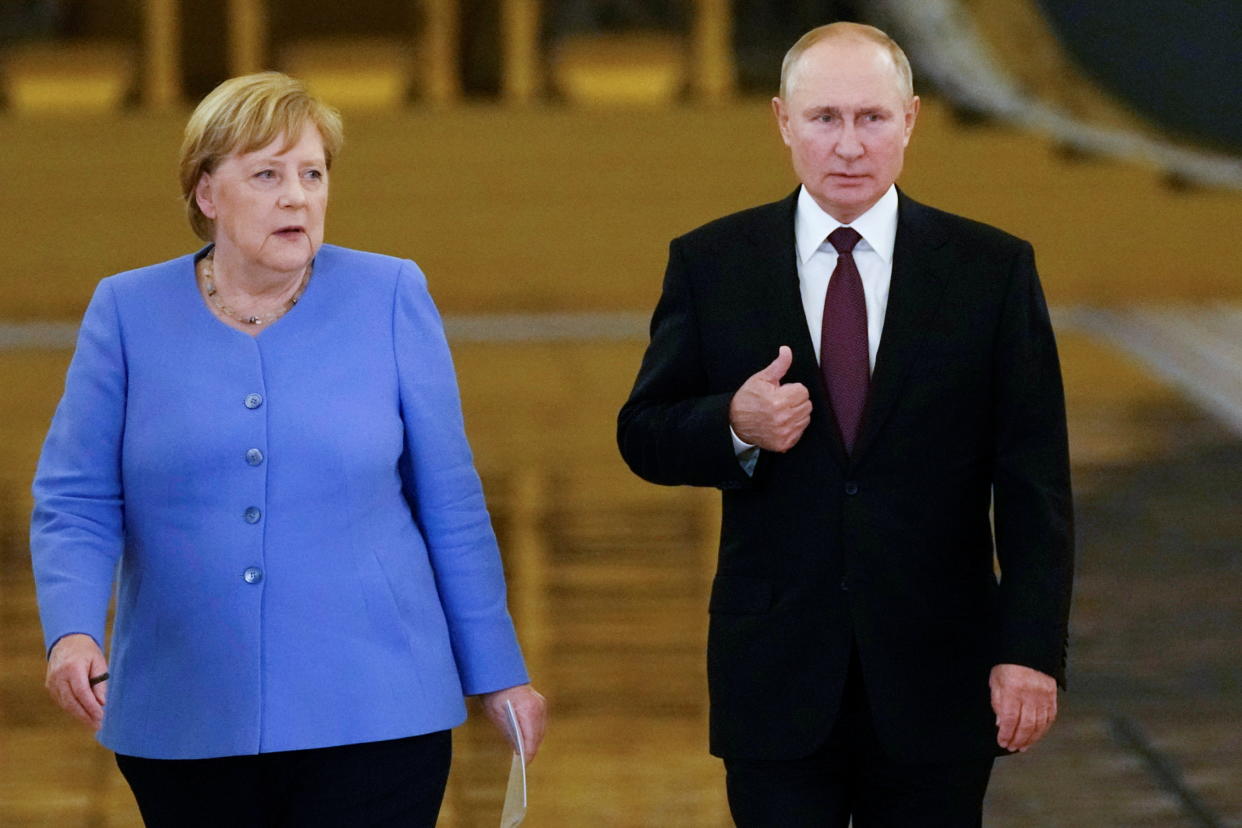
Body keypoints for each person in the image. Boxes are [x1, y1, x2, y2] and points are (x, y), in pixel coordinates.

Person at [31, 71, 546, 828]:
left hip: (380, 706)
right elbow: (77, 497)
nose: (297, 196)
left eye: (312, 174)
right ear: (208, 194)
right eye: (266, 175)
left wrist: (499, 674)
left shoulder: (391, 294)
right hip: (184, 710)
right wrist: (72, 630)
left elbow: (451, 502)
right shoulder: (126, 311)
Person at [617, 22, 1073, 827]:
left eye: (872, 118)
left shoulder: (992, 270)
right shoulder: (713, 262)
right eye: (825, 117)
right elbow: (644, 432)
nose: (850, 145)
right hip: (776, 678)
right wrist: (732, 422)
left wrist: (1029, 652)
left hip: (941, 675)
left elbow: (1036, 486)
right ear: (782, 122)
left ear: (912, 121)